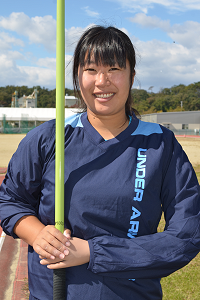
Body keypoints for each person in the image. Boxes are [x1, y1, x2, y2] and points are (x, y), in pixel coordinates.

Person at [0, 25, 200, 300]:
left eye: (115, 69)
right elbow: (10, 199)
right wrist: (36, 234)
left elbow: (187, 234)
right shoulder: (49, 137)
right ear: (77, 77)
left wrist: (93, 253)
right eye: (91, 69)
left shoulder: (161, 145)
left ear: (132, 76)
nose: (102, 81)